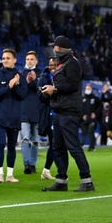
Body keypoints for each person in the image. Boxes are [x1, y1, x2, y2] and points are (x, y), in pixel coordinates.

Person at [41, 36, 95, 192]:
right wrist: (49, 90)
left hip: (69, 110)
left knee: (73, 146)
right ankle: (61, 180)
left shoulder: (72, 63)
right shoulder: (63, 63)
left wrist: (55, 89)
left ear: (60, 48)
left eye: (56, 48)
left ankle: (87, 180)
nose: (54, 50)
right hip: (59, 109)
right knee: (58, 147)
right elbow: (63, 85)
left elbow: (72, 85)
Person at [0, 48, 25, 183]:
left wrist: (15, 85)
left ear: (14, 60)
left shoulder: (19, 76)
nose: (5, 60)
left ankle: (10, 175)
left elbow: (23, 95)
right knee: (1, 142)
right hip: (0, 117)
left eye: (8, 58)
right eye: (3, 58)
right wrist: (9, 86)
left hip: (14, 116)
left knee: (11, 145)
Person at [20, 50, 43, 174]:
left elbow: (41, 90)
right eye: (27, 59)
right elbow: (19, 91)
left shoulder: (41, 74)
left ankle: (33, 164)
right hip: (23, 111)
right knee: (25, 138)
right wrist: (27, 82)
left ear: (36, 61)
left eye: (31, 59)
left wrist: (34, 82)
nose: (29, 61)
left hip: (37, 110)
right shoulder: (20, 73)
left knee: (35, 140)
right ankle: (27, 164)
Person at [38, 57, 58, 180]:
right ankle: (56, 171)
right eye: (51, 65)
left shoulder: (62, 77)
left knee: (56, 144)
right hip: (50, 114)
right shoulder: (44, 78)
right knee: (55, 143)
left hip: (60, 113)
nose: (52, 67)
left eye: (55, 65)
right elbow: (41, 97)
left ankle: (47, 170)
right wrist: (50, 93)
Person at [81, 83, 101, 152]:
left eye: (89, 89)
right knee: (84, 133)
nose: (87, 90)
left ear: (91, 89)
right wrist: (82, 115)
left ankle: (92, 146)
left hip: (92, 119)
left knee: (91, 131)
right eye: (86, 89)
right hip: (84, 120)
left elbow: (100, 108)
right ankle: (81, 146)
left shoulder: (95, 99)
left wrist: (95, 113)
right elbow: (79, 108)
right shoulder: (82, 99)